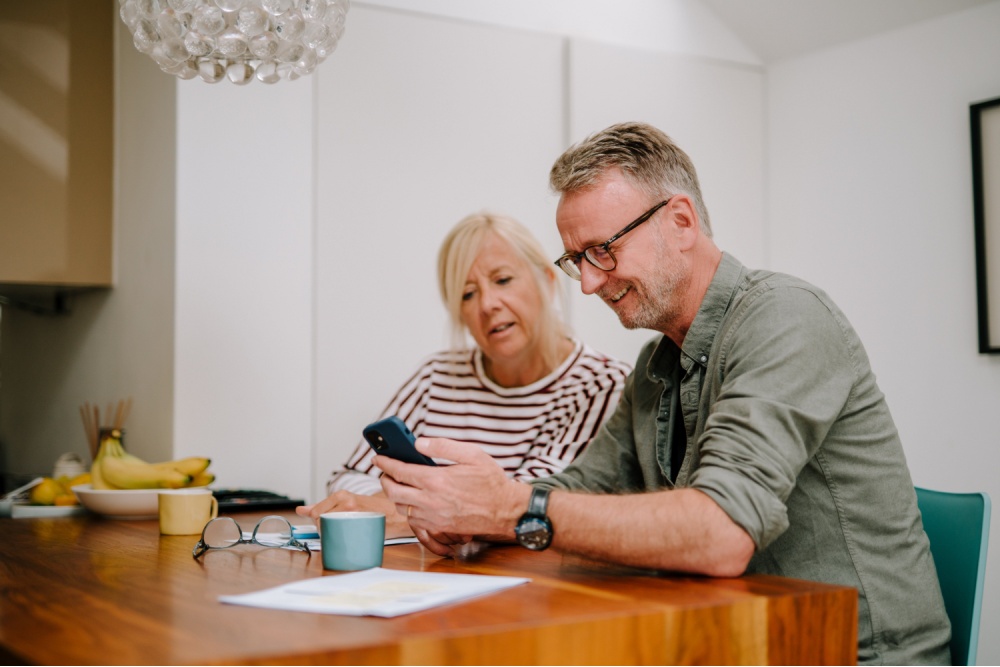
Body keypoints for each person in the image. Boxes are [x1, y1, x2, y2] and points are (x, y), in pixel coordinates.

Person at [374, 123, 952, 664]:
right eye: (578, 261)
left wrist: (508, 508)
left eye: (603, 249)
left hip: (846, 652)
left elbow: (722, 533)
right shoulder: (656, 362)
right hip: (734, 640)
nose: (593, 282)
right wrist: (474, 515)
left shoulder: (787, 318)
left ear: (680, 221)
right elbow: (579, 489)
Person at [297, 211, 632, 538]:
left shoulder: (601, 385)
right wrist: (423, 512)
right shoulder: (437, 376)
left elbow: (531, 504)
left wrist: (402, 510)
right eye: (467, 294)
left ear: (546, 280)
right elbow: (350, 476)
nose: (487, 304)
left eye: (503, 280)